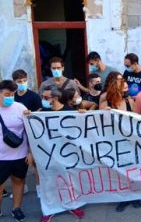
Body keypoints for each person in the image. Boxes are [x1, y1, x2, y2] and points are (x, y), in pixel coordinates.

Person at [39, 85, 85, 222]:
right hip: (48, 153)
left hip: (67, 153)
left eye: (46, 97)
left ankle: (72, 204)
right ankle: (49, 209)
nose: (43, 99)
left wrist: (83, 116)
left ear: (56, 97)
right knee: (48, 182)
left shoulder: (69, 111)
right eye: (43, 97)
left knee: (69, 180)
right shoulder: (41, 113)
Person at [0, 80, 32, 222]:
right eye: (7, 94)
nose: (10, 98)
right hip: (1, 157)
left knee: (19, 181)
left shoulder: (20, 108)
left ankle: (16, 209)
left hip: (20, 155)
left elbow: (31, 131)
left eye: (12, 94)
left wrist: (30, 152)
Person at [12, 69, 41, 198]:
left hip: (31, 132)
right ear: (14, 82)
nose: (22, 83)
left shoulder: (34, 96)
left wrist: (31, 114)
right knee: (17, 161)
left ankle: (40, 187)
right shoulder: (12, 97)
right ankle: (21, 187)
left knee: (35, 161)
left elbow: (40, 111)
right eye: (19, 81)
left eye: (24, 81)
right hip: (17, 133)